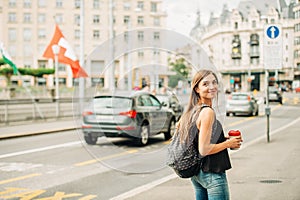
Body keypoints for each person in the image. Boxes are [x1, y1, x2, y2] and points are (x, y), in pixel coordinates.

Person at [177, 69, 243, 200]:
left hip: (197, 175)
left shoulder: (192, 110)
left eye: (214, 82)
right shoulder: (207, 112)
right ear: (197, 89)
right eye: (205, 84)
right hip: (212, 173)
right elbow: (204, 149)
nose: (211, 87)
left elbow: (197, 139)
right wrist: (228, 143)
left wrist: (222, 139)